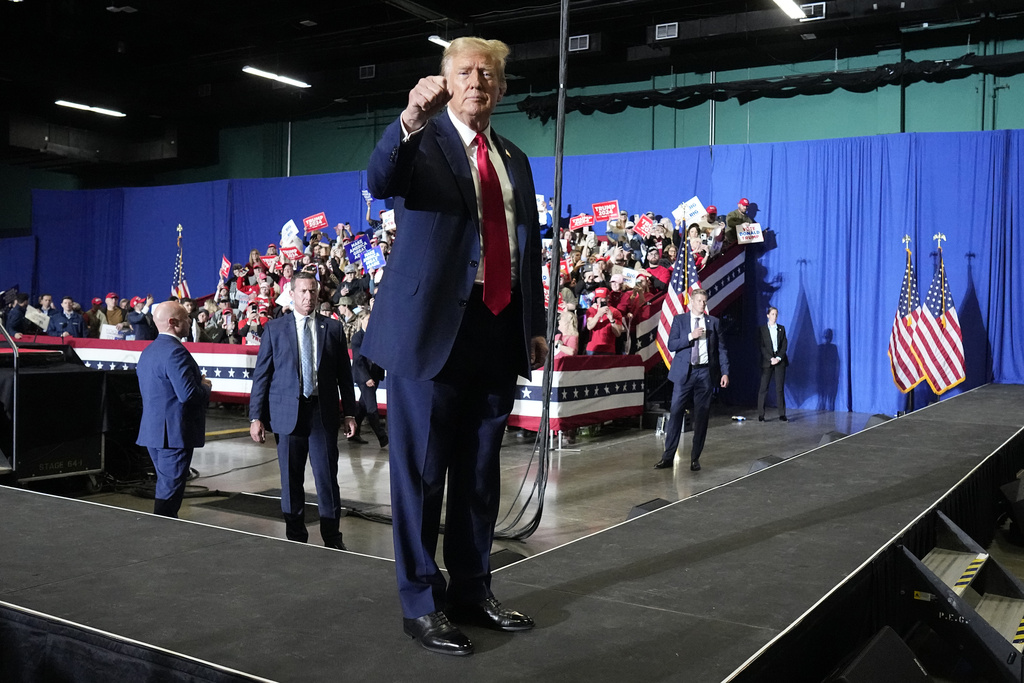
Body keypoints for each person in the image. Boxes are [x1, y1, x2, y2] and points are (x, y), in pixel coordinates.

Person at [364, 36, 546, 657]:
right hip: (428, 335)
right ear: (445, 80)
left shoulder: (515, 158)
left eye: (489, 73)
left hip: (497, 328)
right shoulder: (424, 141)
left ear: (501, 86)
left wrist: (535, 323)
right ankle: (420, 602)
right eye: (467, 71)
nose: (479, 81)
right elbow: (379, 177)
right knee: (420, 476)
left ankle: (472, 589)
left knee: (478, 473)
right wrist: (409, 118)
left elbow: (528, 247)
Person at [248, 272, 359, 550]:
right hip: (287, 416)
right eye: (303, 292)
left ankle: (333, 538)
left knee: (327, 478)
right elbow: (262, 376)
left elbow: (345, 376)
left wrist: (350, 412)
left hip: (322, 414)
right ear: (292, 293)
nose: (308, 297)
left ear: (318, 293)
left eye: (312, 291)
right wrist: (256, 416)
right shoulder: (274, 329)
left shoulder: (332, 329)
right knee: (291, 480)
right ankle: (296, 537)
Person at [135, 302, 212, 518]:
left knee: (165, 486)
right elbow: (188, 395)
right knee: (169, 496)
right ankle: (163, 537)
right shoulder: (176, 353)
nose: (190, 321)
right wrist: (205, 388)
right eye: (186, 317)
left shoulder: (148, 351)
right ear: (173, 322)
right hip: (173, 436)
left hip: (153, 432)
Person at [654, 289, 729, 472]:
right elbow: (672, 344)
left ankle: (695, 458)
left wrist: (725, 372)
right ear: (691, 303)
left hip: (704, 373)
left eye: (704, 301)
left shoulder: (714, 323)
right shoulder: (680, 320)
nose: (702, 304)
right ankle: (668, 457)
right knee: (676, 412)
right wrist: (690, 336)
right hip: (684, 373)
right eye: (699, 301)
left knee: (701, 416)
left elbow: (721, 350)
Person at [349, 302, 388, 448]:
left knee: (363, 406)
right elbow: (359, 361)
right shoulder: (357, 338)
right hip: (364, 377)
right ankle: (383, 438)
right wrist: (367, 378)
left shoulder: (376, 336)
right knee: (372, 408)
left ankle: (353, 431)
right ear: (361, 321)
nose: (370, 322)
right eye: (367, 320)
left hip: (375, 375)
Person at [757, 306, 789, 422]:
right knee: (763, 388)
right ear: (768, 315)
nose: (774, 316)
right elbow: (762, 347)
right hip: (768, 361)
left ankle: (782, 414)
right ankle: (761, 414)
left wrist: (779, 358)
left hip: (780, 361)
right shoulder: (762, 329)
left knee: (779, 388)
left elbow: (784, 344)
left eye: (776, 314)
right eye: (772, 314)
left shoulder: (781, 329)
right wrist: (770, 358)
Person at [585, 287, 624, 354]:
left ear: (607, 298)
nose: (599, 300)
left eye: (602, 297)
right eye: (598, 298)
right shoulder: (591, 310)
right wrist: (598, 314)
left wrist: (611, 320)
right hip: (593, 348)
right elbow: (589, 326)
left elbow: (618, 333)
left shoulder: (615, 312)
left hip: (609, 349)